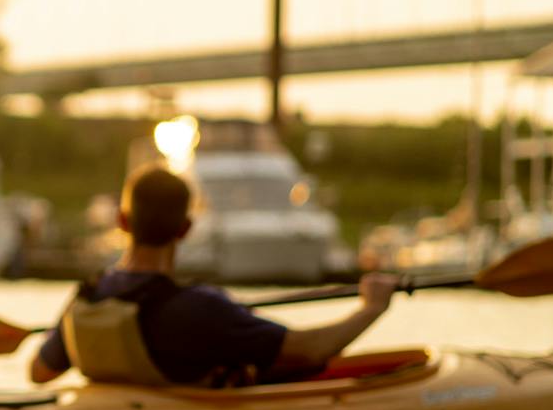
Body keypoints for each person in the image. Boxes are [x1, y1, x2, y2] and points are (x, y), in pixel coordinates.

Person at [29, 163, 400, 388]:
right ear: (186, 229)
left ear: (122, 222)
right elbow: (310, 351)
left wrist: (58, 331)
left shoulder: (86, 298)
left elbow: (40, 372)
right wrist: (372, 307)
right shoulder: (201, 309)